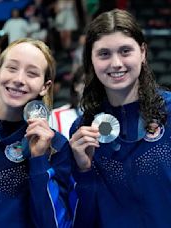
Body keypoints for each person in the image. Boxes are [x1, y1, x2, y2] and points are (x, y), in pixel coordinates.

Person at [69, 9, 171, 227]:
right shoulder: (84, 131)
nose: (116, 63)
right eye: (104, 54)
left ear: (142, 52)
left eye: (125, 51)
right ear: (91, 60)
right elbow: (86, 218)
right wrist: (84, 171)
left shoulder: (169, 112)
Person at [0, 38, 74, 228]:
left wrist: (38, 160)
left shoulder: (56, 146)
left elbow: (55, 224)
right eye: (12, 68)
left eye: (31, 73)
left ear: (44, 87)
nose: (19, 80)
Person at [50, 66, 85, 139]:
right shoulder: (56, 116)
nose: (89, 88)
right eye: (85, 82)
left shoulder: (107, 117)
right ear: (76, 86)